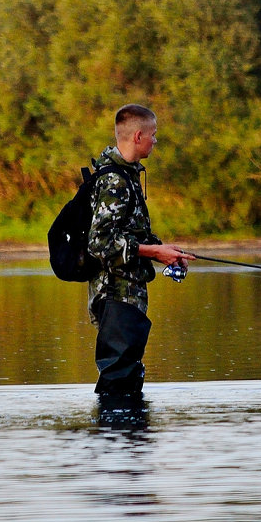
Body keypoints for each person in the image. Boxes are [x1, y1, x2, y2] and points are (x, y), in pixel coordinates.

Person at [87, 103, 194, 398]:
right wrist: (154, 253)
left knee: (128, 376)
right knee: (118, 379)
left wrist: (165, 250)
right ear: (138, 136)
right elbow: (100, 243)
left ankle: (127, 441)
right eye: (153, 135)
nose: (155, 141)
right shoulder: (114, 181)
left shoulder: (129, 177)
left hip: (129, 296)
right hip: (115, 294)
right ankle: (114, 438)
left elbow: (131, 234)